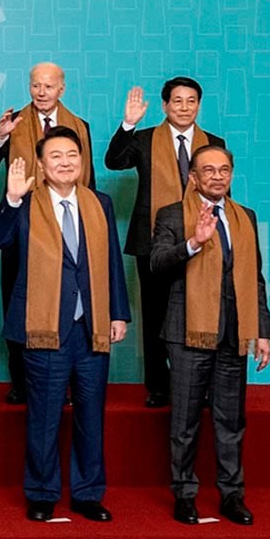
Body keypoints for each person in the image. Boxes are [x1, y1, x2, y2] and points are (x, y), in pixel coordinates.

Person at [0, 128, 129, 523]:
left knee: (91, 416)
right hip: (44, 326)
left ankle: (88, 493)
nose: (65, 162)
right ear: (41, 164)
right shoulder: (25, 203)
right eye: (56, 156)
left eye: (72, 155)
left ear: (82, 161)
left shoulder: (99, 203)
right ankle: (42, 493)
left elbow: (112, 262)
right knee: (44, 417)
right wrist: (11, 199)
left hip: (91, 326)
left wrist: (118, 313)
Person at [150, 145, 270, 526]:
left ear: (231, 175)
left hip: (234, 333)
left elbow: (254, 277)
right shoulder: (172, 214)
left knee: (230, 421)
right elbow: (157, 264)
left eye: (224, 170)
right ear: (193, 177)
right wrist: (194, 243)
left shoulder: (245, 217)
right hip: (187, 333)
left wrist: (262, 331)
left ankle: (232, 495)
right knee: (185, 422)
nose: (217, 176)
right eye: (208, 170)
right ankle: (185, 495)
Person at [0, 62, 95, 405]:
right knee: (18, 301)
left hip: (66, 225)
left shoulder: (79, 127)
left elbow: (89, 182)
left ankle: (64, 382)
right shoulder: (14, 123)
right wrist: (0, 136)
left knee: (67, 300)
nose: (41, 92)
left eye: (48, 86)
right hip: (22, 225)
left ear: (62, 89)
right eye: (35, 86)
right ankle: (21, 381)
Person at [105, 77, 225, 408]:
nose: (184, 107)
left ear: (198, 105)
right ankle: (158, 385)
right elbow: (114, 162)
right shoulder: (144, 139)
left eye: (191, 101)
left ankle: (199, 384)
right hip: (151, 240)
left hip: (201, 238)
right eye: (177, 101)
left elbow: (221, 191)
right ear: (164, 105)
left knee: (199, 311)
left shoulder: (213, 143)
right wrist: (128, 124)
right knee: (156, 315)